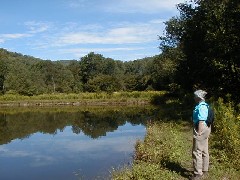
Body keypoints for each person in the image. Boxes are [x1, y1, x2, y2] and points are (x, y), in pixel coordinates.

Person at [191, 90, 211, 180]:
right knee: (204, 150)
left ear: (198, 97)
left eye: (195, 96)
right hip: (206, 128)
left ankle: (198, 174)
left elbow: (201, 121)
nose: (194, 97)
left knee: (197, 151)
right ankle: (205, 170)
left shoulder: (202, 107)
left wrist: (198, 133)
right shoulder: (204, 105)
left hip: (201, 129)